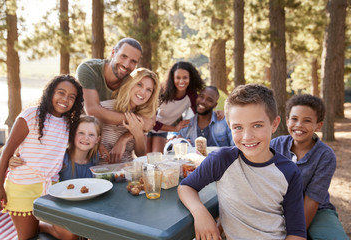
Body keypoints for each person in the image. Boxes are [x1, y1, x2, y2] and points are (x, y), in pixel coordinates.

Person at [178, 84, 307, 240]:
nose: (247, 136)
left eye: (257, 125)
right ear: (229, 126)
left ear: (274, 124)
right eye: (238, 127)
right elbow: (186, 187)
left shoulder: (289, 172)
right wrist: (200, 213)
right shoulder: (222, 160)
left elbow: (297, 233)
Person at [0, 75, 84, 240]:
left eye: (72, 97)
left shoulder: (68, 123)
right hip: (23, 187)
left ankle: (38, 224)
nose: (65, 99)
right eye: (61, 93)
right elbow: (7, 151)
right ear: (50, 93)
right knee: (28, 237)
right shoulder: (31, 114)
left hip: (51, 188)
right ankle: (32, 226)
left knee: (69, 235)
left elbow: (86, 134)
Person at [9, 115, 102, 240]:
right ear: (72, 134)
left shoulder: (94, 158)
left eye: (91, 135)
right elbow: (38, 158)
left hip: (81, 210)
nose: (86, 138)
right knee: (70, 235)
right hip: (60, 209)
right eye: (81, 133)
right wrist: (14, 157)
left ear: (97, 139)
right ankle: (40, 226)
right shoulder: (61, 158)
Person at [270, 94, 348, 240]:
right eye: (294, 119)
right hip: (277, 206)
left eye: (307, 120)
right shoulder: (275, 145)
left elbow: (312, 199)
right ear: (287, 121)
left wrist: (296, 233)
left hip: (316, 210)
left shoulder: (325, 155)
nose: (299, 125)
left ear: (318, 125)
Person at [76, 37, 154, 162]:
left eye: (133, 61)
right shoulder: (89, 70)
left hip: (120, 160)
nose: (126, 64)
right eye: (123, 56)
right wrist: (135, 122)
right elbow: (93, 110)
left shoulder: (131, 82)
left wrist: (127, 136)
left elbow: (150, 120)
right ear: (113, 53)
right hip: (84, 142)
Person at [100, 67, 160, 163]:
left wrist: (136, 133)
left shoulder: (144, 116)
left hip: (127, 170)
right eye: (139, 85)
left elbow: (140, 153)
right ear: (130, 84)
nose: (143, 92)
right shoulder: (105, 107)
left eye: (149, 90)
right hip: (101, 169)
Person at [147, 61, 205, 153]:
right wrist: (174, 129)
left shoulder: (191, 96)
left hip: (161, 131)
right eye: (178, 78)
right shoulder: (162, 92)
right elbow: (151, 122)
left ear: (190, 78)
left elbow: (202, 112)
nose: (181, 81)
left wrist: (217, 113)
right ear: (172, 78)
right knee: (145, 159)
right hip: (146, 127)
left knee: (157, 159)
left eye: (185, 78)